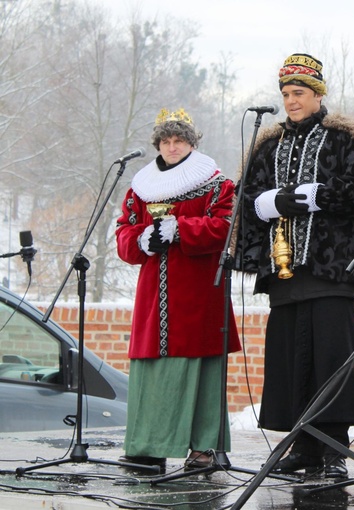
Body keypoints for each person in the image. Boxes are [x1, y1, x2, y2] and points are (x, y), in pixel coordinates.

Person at [235, 53, 354, 479]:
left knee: (331, 356)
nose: (291, 101)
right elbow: (247, 199)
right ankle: (303, 447)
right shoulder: (268, 144)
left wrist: (311, 195)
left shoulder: (344, 138)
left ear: (318, 94)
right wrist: (268, 202)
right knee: (291, 358)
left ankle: (333, 449)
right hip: (285, 271)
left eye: (299, 93)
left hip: (332, 269)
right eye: (286, 94)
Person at [115, 108, 241, 472]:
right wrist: (141, 240)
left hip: (199, 292)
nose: (172, 147)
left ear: (191, 143)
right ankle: (148, 446)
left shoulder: (217, 184)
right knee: (152, 369)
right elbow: (124, 234)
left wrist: (181, 229)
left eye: (179, 140)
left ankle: (204, 449)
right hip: (154, 295)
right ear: (158, 144)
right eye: (166, 141)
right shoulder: (140, 187)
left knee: (199, 368)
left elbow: (226, 226)